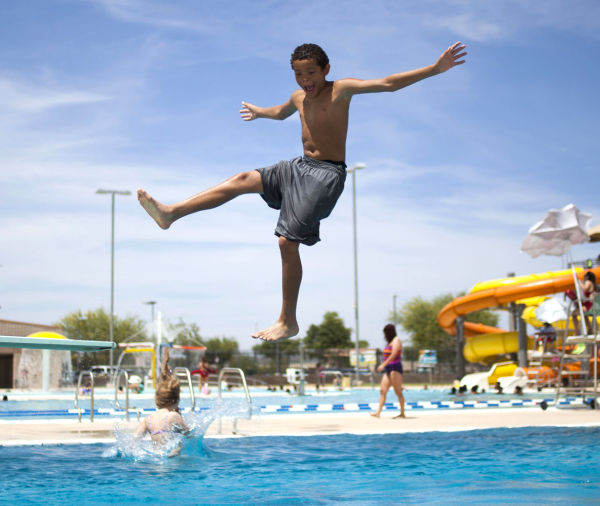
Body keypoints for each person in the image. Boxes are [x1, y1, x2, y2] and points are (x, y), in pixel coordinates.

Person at [137, 42, 467, 342]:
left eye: (310, 72)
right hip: (298, 168)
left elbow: (389, 83)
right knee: (241, 179)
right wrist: (259, 112)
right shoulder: (299, 97)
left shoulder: (341, 90)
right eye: (298, 74)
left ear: (326, 69)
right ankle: (171, 213)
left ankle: (288, 320)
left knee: (286, 241)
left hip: (326, 175)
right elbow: (281, 113)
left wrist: (434, 69)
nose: (305, 80)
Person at [134, 348, 190, 456]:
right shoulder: (174, 416)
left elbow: (133, 442)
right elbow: (190, 435)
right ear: (176, 399)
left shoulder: (148, 420)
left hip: (155, 462)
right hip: (172, 461)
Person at [371, 323, 406, 418]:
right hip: (388, 370)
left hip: (395, 368)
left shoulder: (396, 340)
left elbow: (394, 354)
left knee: (398, 391)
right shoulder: (389, 342)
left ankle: (402, 413)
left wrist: (383, 364)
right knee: (382, 390)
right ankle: (378, 412)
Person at [570, 271, 596, 335]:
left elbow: (585, 289)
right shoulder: (592, 283)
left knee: (574, 314)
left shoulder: (588, 282)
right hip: (588, 304)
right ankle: (590, 330)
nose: (584, 277)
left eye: (585, 276)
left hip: (587, 304)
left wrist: (579, 282)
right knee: (585, 316)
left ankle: (577, 331)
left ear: (587, 277)